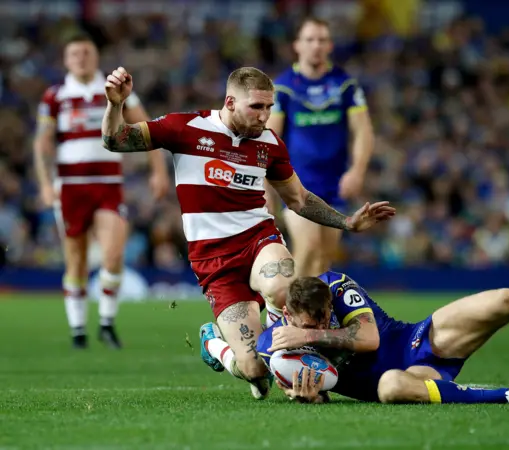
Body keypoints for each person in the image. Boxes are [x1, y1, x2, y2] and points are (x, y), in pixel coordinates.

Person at [101, 66, 395, 399]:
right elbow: (115, 140)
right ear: (229, 102)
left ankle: (289, 354)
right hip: (214, 262)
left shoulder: (269, 144)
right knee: (255, 370)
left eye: (269, 107)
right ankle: (216, 344)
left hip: (258, 240)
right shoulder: (185, 128)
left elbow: (298, 199)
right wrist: (115, 105)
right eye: (257, 107)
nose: (265, 116)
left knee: (281, 285)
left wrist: (346, 222)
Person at [252, 273, 509, 404]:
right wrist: (305, 394)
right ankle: (506, 395)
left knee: (505, 299)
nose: (323, 320)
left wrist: (312, 331)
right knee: (389, 387)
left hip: (414, 339)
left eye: (325, 314)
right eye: (313, 319)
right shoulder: (279, 342)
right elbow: (317, 384)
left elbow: (368, 339)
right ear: (288, 313)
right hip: (403, 377)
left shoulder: (335, 285)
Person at [34, 34, 170, 349]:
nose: (81, 58)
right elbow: (42, 141)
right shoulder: (56, 95)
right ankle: (78, 330)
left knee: (112, 254)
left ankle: (107, 323)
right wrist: (43, 182)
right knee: (77, 260)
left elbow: (146, 127)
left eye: (86, 52)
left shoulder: (113, 89)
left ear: (95, 57)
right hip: (70, 187)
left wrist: (159, 170)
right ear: (66, 60)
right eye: (74, 54)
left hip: (108, 184)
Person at [264, 17, 374, 279]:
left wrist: (357, 171)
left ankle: (309, 316)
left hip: (333, 184)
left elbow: (363, 131)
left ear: (330, 46)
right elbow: (269, 139)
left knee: (323, 259)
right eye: (310, 39)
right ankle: (283, 313)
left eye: (322, 40)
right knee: (309, 246)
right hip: (297, 184)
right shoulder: (283, 88)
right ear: (297, 45)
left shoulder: (345, 85)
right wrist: (266, 189)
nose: (316, 45)